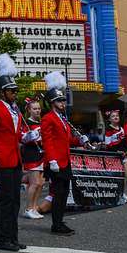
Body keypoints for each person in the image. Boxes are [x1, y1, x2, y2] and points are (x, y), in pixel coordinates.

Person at [0, 54, 32, 252]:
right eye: (11, 91)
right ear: (2, 93)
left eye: (15, 90)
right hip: (1, 160)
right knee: (6, 200)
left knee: (15, 201)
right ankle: (4, 240)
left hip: (15, 160)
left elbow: (16, 135)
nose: (15, 93)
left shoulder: (16, 111)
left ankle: (13, 238)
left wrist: (27, 136)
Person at [39, 72, 84, 235]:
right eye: (60, 100)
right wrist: (51, 160)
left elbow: (66, 140)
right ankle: (56, 225)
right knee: (58, 193)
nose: (63, 103)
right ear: (52, 102)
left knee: (64, 193)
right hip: (55, 162)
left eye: (63, 100)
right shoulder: (48, 118)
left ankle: (59, 222)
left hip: (64, 161)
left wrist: (80, 140)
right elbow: (47, 140)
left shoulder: (62, 118)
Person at [21, 100, 46, 219]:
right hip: (31, 154)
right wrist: (30, 136)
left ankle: (35, 207)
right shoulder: (26, 123)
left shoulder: (41, 122)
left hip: (42, 154)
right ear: (29, 110)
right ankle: (28, 208)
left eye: (39, 109)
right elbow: (23, 139)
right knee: (34, 183)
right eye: (34, 109)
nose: (37, 111)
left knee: (41, 183)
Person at [103, 110, 127, 202]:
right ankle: (116, 194)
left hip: (123, 154)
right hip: (114, 156)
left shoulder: (121, 128)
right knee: (116, 176)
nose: (115, 117)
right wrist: (116, 151)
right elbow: (108, 145)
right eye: (113, 116)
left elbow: (125, 140)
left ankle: (122, 192)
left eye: (117, 116)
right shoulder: (108, 130)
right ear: (109, 119)